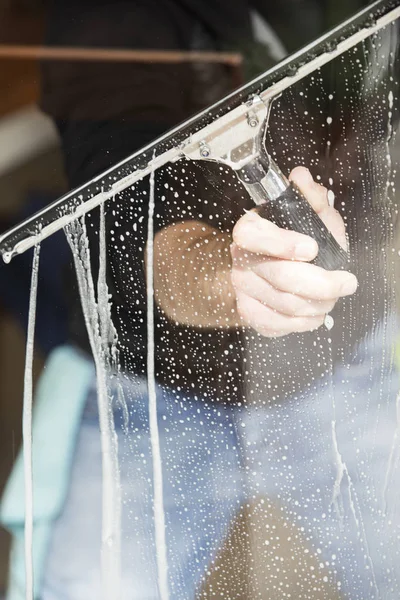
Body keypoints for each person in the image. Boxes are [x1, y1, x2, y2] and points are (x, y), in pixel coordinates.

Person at [3, 0, 398, 598]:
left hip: (344, 356)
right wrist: (232, 279)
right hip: (148, 391)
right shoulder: (104, 23)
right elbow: (137, 229)